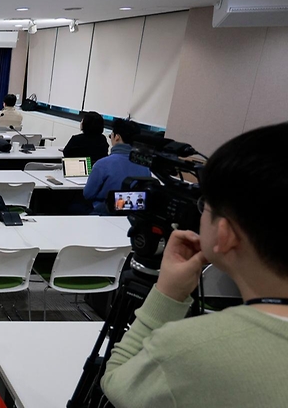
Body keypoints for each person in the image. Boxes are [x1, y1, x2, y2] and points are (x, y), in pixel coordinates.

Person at [101, 122, 288, 407]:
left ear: (225, 234)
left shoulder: (190, 349)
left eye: (204, 204)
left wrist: (166, 295)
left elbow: (116, 384)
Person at [83, 119, 151, 214]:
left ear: (117, 137)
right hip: (133, 215)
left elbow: (88, 194)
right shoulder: (145, 166)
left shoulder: (102, 164)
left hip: (104, 212)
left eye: (111, 135)